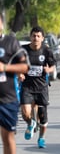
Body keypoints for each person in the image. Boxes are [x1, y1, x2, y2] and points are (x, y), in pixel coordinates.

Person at [19, 26, 56, 148]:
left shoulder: (46, 51)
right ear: (30, 37)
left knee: (43, 116)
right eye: (33, 36)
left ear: (42, 38)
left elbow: (53, 66)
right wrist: (20, 73)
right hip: (27, 86)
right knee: (25, 113)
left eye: (38, 36)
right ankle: (31, 123)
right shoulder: (23, 50)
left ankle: (41, 138)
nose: (36, 38)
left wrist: (48, 69)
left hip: (41, 87)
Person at [0, 15, 29, 154]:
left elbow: (24, 67)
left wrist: (5, 68)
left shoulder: (10, 42)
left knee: (7, 137)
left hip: (7, 99)